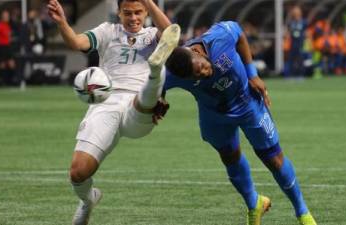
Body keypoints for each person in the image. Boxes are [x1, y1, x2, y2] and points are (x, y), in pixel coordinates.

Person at [163, 21, 317, 225]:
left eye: (201, 67)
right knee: (229, 157)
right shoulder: (173, 73)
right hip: (214, 116)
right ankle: (255, 205)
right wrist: (160, 100)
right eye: (197, 76)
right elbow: (155, 85)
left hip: (248, 102)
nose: (205, 73)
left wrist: (252, 73)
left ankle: (302, 212)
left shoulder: (220, 37)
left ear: (196, 51)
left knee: (274, 159)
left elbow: (240, 33)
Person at [47, 0, 179, 224]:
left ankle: (156, 72)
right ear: (118, 13)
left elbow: (170, 33)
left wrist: (148, 1)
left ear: (146, 11)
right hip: (105, 102)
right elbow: (77, 42)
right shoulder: (107, 31)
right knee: (78, 173)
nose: (134, 18)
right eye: (127, 13)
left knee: (146, 91)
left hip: (138, 104)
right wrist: (62, 23)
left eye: (139, 12)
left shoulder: (153, 34)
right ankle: (89, 200)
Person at [0, 10, 16, 85]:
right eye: (5, 16)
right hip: (1, 46)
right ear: (2, 16)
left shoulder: (8, 25)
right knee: (2, 64)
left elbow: (9, 36)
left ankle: (11, 80)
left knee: (11, 63)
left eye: (7, 16)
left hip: (8, 46)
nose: (7, 17)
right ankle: (1, 80)